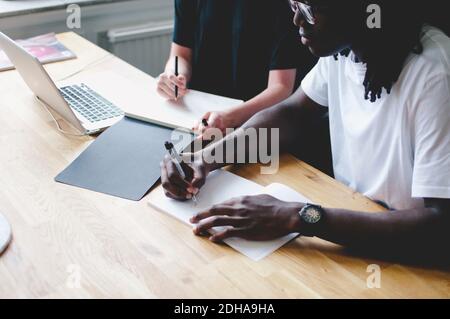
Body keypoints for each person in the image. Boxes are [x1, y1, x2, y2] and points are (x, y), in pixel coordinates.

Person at [160, 0, 450, 258]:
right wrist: (205, 159)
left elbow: (441, 226)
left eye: (311, 9)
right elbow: (292, 113)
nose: (298, 20)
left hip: (408, 255)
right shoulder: (347, 51)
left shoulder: (435, 75)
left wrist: (302, 217)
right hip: (351, 226)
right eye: (294, 4)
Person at [156, 0, 317, 134]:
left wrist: (229, 117)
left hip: (253, 124)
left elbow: (281, 87)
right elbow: (180, 55)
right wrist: (174, 75)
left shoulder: (283, 5)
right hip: (195, 118)